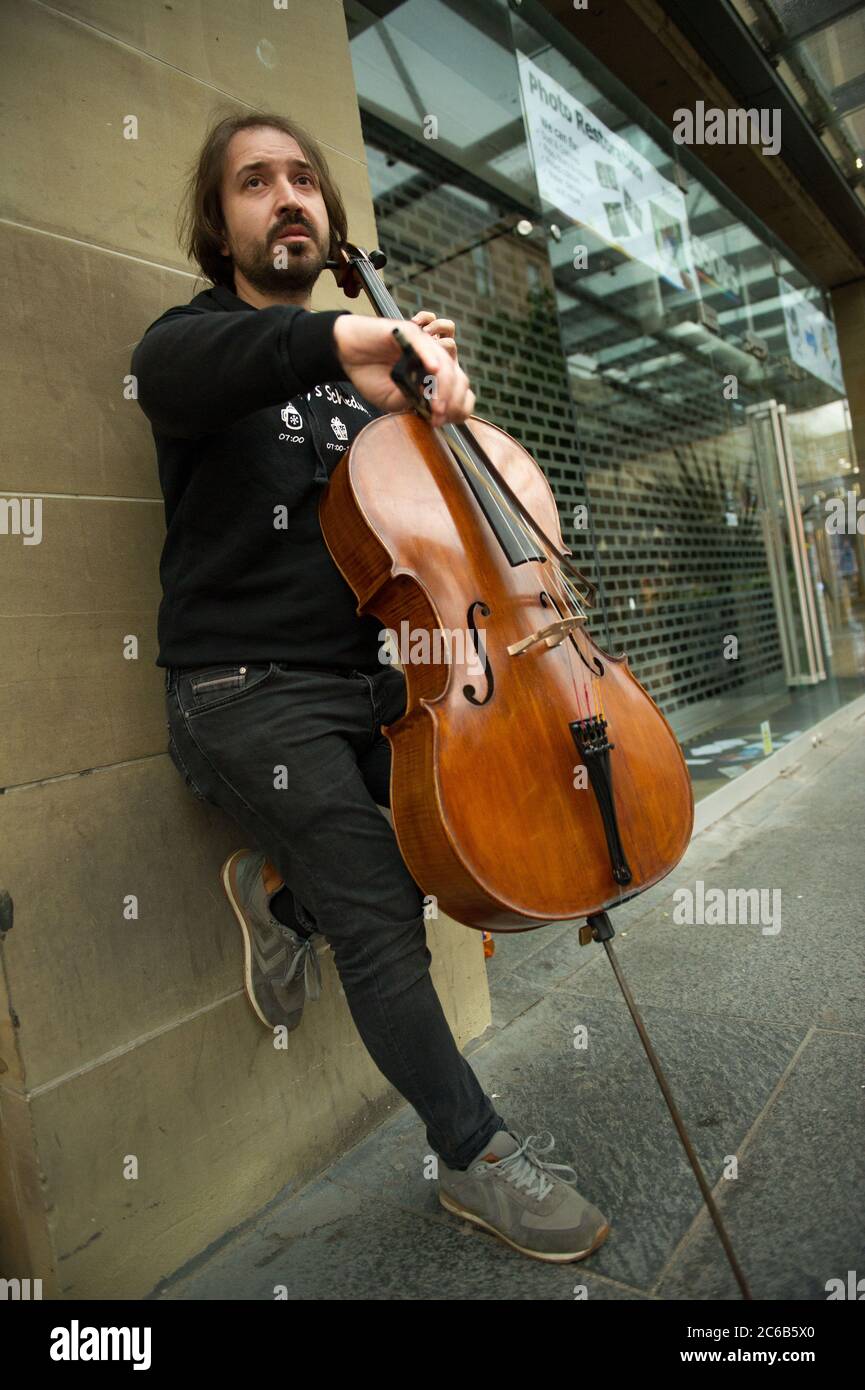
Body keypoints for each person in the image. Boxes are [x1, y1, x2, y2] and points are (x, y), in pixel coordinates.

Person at [131, 110, 609, 1265]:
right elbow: (190, 372)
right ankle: (474, 1156)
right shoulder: (190, 346)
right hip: (240, 691)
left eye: (303, 179)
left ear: (331, 220)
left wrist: (448, 417)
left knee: (441, 856)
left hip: (367, 690)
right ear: (221, 220)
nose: (285, 197)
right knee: (388, 922)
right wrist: (348, 339)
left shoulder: (367, 395)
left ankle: (286, 903)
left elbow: (455, 549)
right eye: (255, 182)